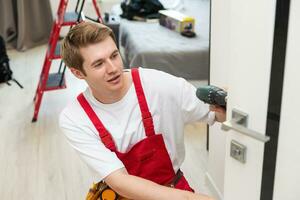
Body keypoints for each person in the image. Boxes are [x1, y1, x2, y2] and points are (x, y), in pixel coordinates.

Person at [59, 21, 226, 200]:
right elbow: (119, 181)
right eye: (99, 64)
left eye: (114, 55)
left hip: (172, 188)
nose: (113, 68)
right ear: (78, 73)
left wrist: (229, 106)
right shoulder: (75, 118)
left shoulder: (158, 85)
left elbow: (217, 112)